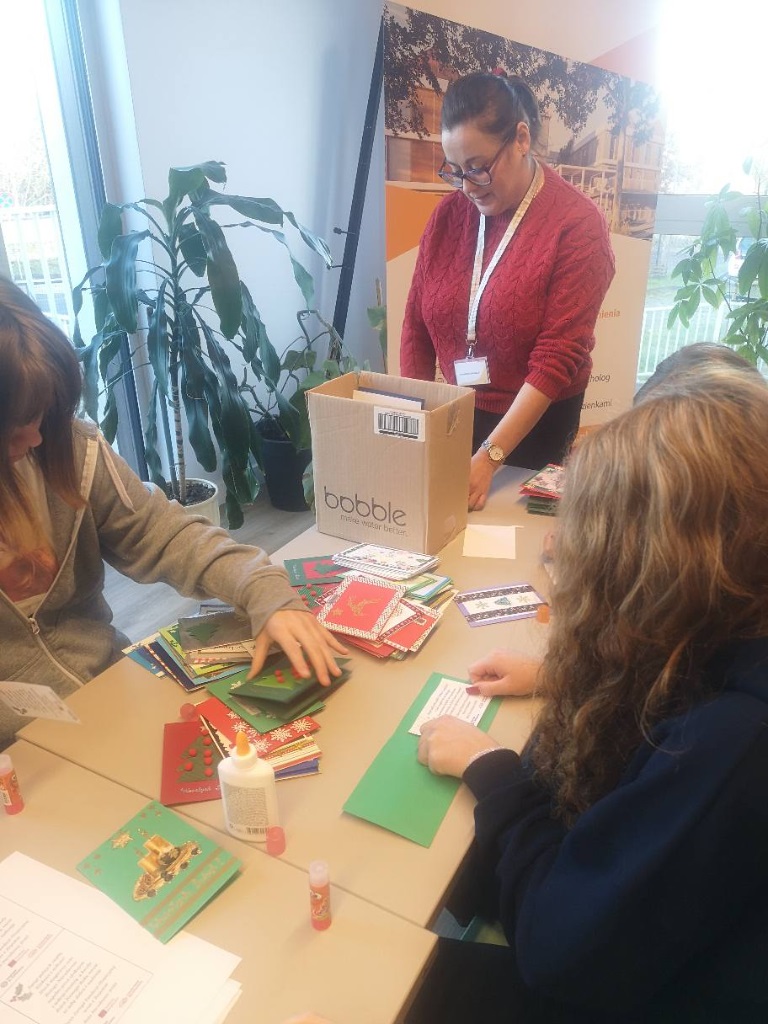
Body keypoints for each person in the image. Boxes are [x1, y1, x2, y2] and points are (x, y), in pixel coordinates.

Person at [414, 376, 768, 1022]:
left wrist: (491, 770)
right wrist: (561, 676)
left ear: (642, 570)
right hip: (670, 955)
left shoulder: (732, 743)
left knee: (381, 977)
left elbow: (558, 951)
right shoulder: (737, 646)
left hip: (626, 992)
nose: (559, 551)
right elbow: (695, 680)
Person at [0, 278, 346, 749]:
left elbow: (166, 535)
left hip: (108, 691)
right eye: (14, 429)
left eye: (43, 414)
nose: (37, 438)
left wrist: (262, 587)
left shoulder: (72, 449)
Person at [400, 71, 615, 511]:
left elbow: (557, 356)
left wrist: (490, 457)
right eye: (455, 170)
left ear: (521, 139)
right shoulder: (448, 217)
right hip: (458, 409)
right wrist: (418, 421)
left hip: (536, 420)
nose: (466, 186)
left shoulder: (577, 225)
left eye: (478, 167)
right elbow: (416, 323)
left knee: (511, 538)